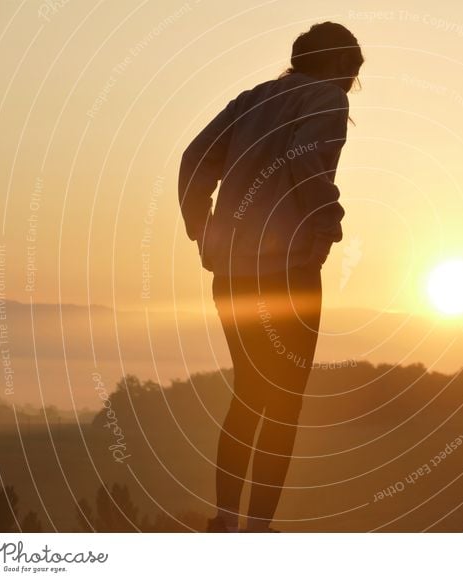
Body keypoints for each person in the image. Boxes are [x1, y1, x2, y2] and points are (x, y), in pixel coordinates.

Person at [178, 22, 363, 533]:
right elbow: (308, 165)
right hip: (288, 274)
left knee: (249, 395)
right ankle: (258, 528)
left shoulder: (252, 99)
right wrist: (327, 226)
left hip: (233, 273)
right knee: (284, 402)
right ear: (339, 65)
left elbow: (194, 159)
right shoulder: (327, 98)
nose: (351, 83)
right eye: (352, 71)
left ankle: (227, 520)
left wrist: (203, 228)